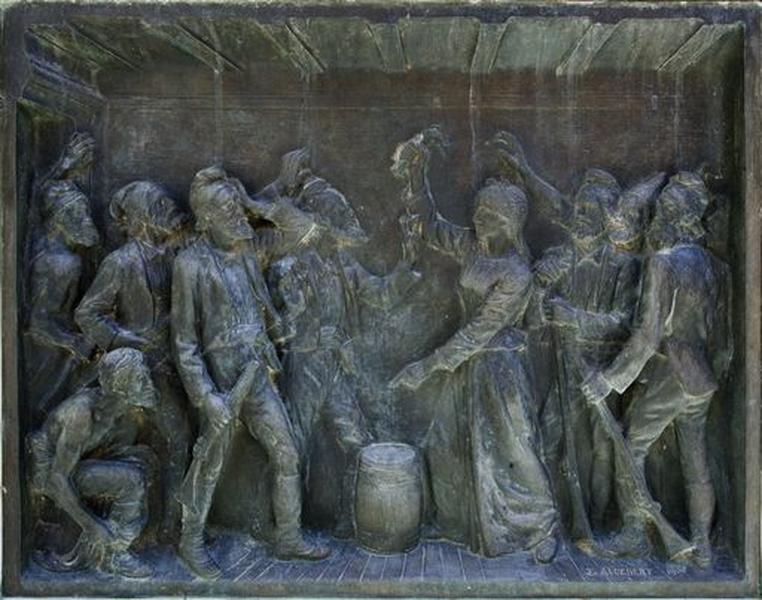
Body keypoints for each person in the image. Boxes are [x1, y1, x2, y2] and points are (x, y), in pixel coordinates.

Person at [389, 130, 559, 563]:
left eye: (491, 215)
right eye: (479, 212)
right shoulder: (471, 248)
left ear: (511, 223)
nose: (480, 219)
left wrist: (425, 367)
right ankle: (456, 522)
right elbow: (429, 226)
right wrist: (417, 170)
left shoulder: (516, 273)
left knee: (512, 451)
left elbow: (478, 332)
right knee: (445, 442)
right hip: (466, 368)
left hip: (499, 371)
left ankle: (540, 527)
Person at [172, 166, 330, 579]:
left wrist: (255, 204)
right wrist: (206, 397)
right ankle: (190, 541)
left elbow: (305, 230)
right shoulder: (190, 265)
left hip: (256, 372)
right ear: (205, 219)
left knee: (286, 451)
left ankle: (289, 538)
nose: (239, 217)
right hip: (220, 377)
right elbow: (185, 344)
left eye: (237, 208)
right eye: (227, 211)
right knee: (209, 462)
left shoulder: (248, 249)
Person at [582, 172, 733, 569]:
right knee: (695, 459)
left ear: (670, 218)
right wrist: (711, 374)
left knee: (631, 444)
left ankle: (634, 534)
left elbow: (648, 336)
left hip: (673, 374)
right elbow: (723, 339)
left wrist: (609, 380)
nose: (652, 222)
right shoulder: (716, 268)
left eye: (659, 213)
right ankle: (701, 545)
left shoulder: (662, 265)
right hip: (702, 379)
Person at [267, 148, 420, 537]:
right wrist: (307, 327)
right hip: (304, 365)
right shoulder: (289, 267)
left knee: (357, 440)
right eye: (333, 224)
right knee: (294, 443)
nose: (340, 234)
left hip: (334, 366)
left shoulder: (341, 264)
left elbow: (380, 294)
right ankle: (286, 531)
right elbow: (275, 328)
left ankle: (350, 519)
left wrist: (408, 264)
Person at [75, 181, 191, 543]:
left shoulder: (174, 255)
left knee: (178, 438)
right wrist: (126, 339)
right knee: (176, 438)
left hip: (174, 363)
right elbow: (87, 314)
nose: (168, 207)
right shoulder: (120, 263)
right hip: (137, 370)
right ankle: (162, 527)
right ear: (141, 219)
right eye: (159, 205)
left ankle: (170, 524)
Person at [26, 348, 157, 579]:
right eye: (140, 378)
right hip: (50, 474)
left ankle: (107, 547)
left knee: (145, 462)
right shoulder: (82, 414)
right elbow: (57, 478)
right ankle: (114, 555)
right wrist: (93, 526)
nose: (148, 383)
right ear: (120, 386)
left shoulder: (117, 413)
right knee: (132, 480)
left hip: (72, 467)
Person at [24, 179, 100, 424]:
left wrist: (66, 166)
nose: (87, 220)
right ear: (59, 219)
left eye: (86, 212)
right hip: (51, 357)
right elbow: (37, 322)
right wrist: (74, 342)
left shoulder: (38, 242)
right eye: (78, 214)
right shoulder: (64, 264)